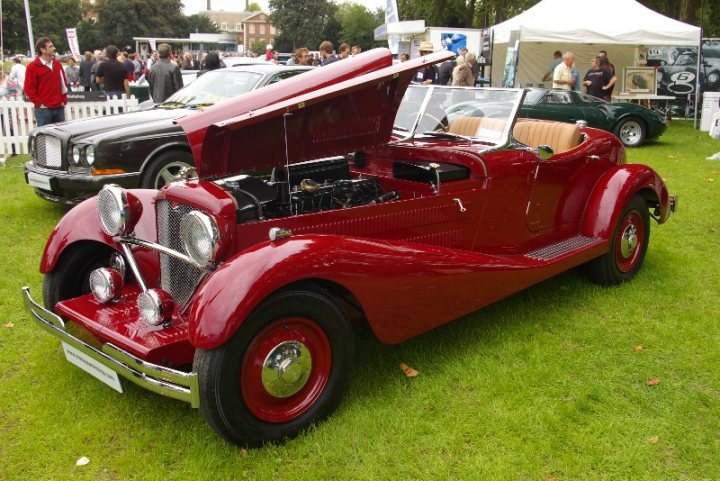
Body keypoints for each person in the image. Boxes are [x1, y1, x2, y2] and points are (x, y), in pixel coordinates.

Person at [23, 37, 69, 127]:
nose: (54, 48)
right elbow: (28, 88)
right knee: (44, 138)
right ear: (43, 50)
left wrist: (63, 100)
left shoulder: (57, 64)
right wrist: (39, 103)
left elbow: (63, 83)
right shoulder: (32, 67)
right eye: (51, 46)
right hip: (44, 110)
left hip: (59, 107)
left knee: (60, 137)